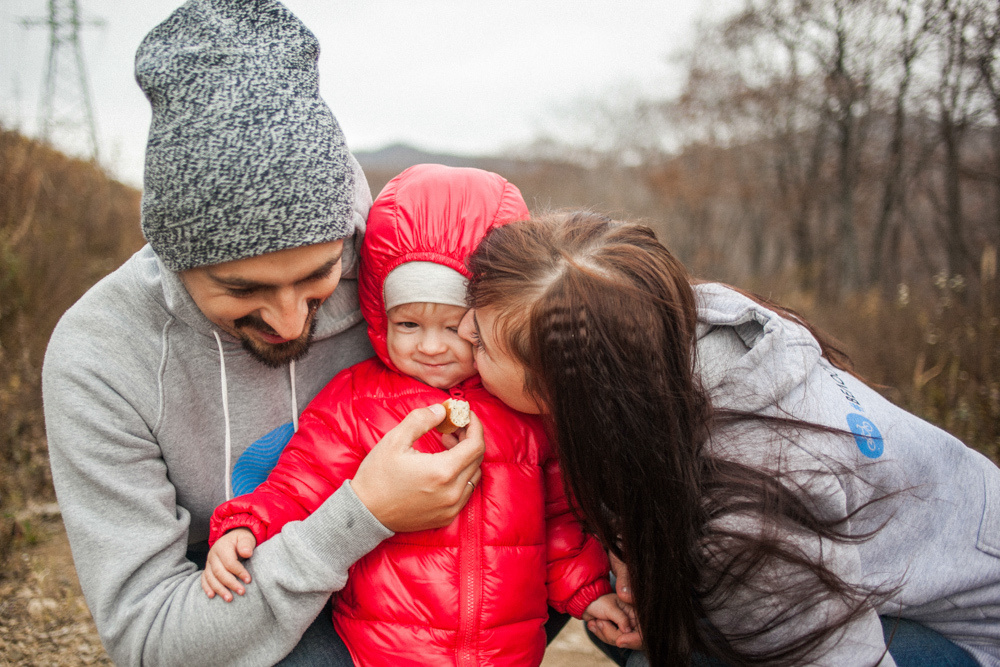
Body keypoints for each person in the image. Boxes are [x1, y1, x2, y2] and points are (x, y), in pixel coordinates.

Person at [41, 2, 484, 665]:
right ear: (173, 255)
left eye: (318, 276)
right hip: (247, 579)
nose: (288, 321)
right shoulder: (99, 357)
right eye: (243, 289)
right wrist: (361, 513)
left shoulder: (404, 278)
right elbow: (150, 637)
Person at [457, 211, 1000, 667]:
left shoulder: (753, 511)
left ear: (562, 389)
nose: (462, 334)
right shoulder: (663, 322)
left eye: (481, 340)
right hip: (900, 564)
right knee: (620, 613)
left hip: (967, 632)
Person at [201, 164, 628, 666]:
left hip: (506, 651)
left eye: (453, 327)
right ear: (380, 314)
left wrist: (590, 592)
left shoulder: (522, 409)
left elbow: (557, 520)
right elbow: (300, 484)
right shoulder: (356, 402)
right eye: (407, 323)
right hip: (385, 648)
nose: (429, 346)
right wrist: (247, 525)